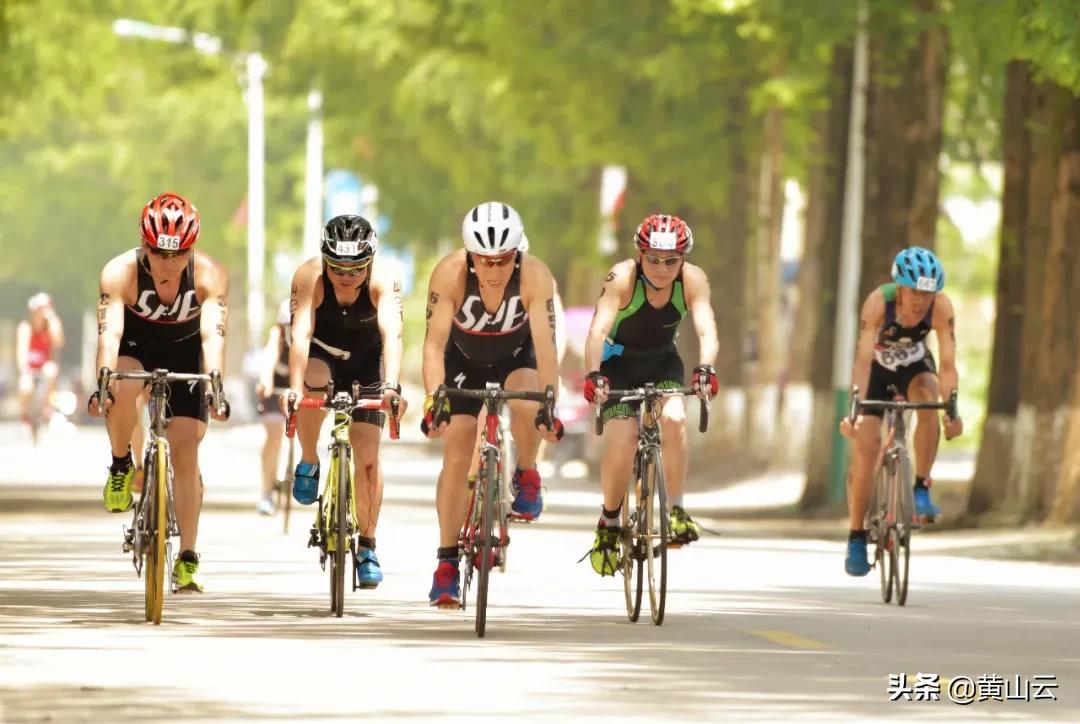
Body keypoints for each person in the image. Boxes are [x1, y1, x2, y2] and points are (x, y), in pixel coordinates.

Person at [422, 201, 563, 606]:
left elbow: (547, 347)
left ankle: (527, 471)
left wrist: (548, 403)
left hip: (516, 357)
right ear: (470, 256)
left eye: (504, 261)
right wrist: (436, 401)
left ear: (516, 254)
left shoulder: (535, 275)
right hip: (462, 359)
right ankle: (446, 562)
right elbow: (433, 346)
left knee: (527, 402)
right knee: (458, 442)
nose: (496, 271)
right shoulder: (449, 273)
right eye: (486, 262)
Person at [88, 191, 230, 593]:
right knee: (120, 383)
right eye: (158, 252)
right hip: (135, 345)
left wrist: (216, 381)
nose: (167, 262)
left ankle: (187, 556)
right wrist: (103, 378)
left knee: (185, 450)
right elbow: (110, 332)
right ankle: (120, 466)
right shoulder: (120, 272)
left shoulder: (209, 275)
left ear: (192, 248)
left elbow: (212, 334)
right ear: (144, 244)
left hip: (186, 350)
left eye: (178, 254)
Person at [581, 213, 719, 576]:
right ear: (640, 255)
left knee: (674, 420)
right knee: (623, 439)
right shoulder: (622, 278)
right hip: (617, 365)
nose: (660, 268)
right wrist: (593, 374)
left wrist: (706, 367)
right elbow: (597, 330)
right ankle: (609, 523)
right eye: (653, 259)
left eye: (670, 261)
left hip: (662, 363)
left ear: (683, 259)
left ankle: (676, 510)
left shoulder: (693, 280)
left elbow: (706, 329)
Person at [281, 215, 406, 589]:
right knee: (312, 382)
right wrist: (292, 389)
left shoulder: (384, 282)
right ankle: (308, 457)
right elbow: (300, 334)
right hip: (322, 354)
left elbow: (393, 335)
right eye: (336, 266)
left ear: (369, 263)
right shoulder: (309, 278)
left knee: (367, 457)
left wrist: (393, 387)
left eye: (355, 268)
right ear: (324, 260)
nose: (346, 275)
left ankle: (367, 545)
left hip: (368, 361)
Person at [840, 246, 963, 577]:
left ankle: (921, 487)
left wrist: (952, 409)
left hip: (914, 366)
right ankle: (856, 536)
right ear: (901, 287)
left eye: (928, 292)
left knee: (929, 394)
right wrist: (854, 408)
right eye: (914, 291)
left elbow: (948, 365)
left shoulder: (940, 308)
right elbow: (863, 361)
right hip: (877, 372)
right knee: (865, 450)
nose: (921, 300)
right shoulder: (879, 303)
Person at [254, 300, 291, 516]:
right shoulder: (277, 333)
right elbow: (269, 355)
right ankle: (267, 491)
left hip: (304, 381)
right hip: (277, 382)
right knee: (274, 434)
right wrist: (265, 379)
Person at [16, 292, 64, 428]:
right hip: (29, 367)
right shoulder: (26, 327)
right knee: (25, 388)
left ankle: (47, 407)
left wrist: (53, 318)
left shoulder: (50, 326)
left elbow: (59, 342)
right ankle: (24, 415)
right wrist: (24, 372)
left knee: (51, 372)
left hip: (44, 366)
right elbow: (21, 352)